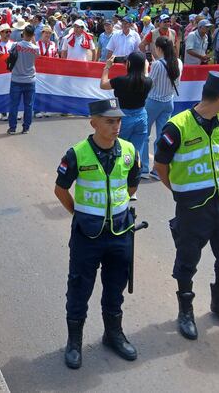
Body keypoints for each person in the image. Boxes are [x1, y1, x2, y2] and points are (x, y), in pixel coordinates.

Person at [154, 72, 219, 341]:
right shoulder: (177, 126)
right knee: (187, 261)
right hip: (192, 207)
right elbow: (161, 164)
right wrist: (178, 189)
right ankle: (185, 310)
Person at [54, 97, 142, 369]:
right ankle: (74, 342)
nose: (116, 126)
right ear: (93, 122)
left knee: (115, 287)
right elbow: (60, 190)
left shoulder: (129, 151)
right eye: (109, 121)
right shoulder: (76, 154)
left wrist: (113, 212)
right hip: (87, 235)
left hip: (120, 233)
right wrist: (81, 215)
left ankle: (113, 334)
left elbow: (131, 186)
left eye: (118, 121)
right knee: (79, 288)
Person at [101, 52, 152, 173]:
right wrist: (145, 65)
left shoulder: (120, 81)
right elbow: (145, 74)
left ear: (128, 64)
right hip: (141, 117)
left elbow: (103, 84)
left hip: (124, 117)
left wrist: (107, 67)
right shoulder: (148, 82)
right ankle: (134, 175)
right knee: (136, 151)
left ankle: (118, 173)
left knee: (119, 148)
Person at [144, 36, 182, 178]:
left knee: (144, 135)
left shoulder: (158, 64)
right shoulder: (178, 62)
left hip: (153, 101)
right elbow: (177, 83)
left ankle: (144, 168)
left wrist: (146, 71)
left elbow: (149, 83)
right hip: (168, 101)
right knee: (163, 137)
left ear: (159, 48)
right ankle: (159, 169)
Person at [7, 25, 39, 135]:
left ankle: (12, 127)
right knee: (28, 105)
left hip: (16, 79)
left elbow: (9, 56)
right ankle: (26, 127)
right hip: (30, 80)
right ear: (33, 35)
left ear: (23, 33)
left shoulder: (15, 45)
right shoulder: (35, 48)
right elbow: (37, 58)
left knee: (14, 105)